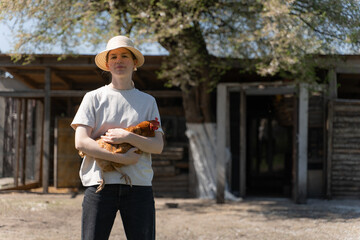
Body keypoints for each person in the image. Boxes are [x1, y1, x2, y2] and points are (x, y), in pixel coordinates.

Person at [71, 35, 164, 240]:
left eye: (124, 56)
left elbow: (158, 146)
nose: (119, 60)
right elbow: (81, 142)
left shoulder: (148, 101)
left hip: (138, 185)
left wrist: (127, 136)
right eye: (113, 57)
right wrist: (121, 159)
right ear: (107, 64)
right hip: (99, 184)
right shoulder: (93, 97)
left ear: (135, 63)